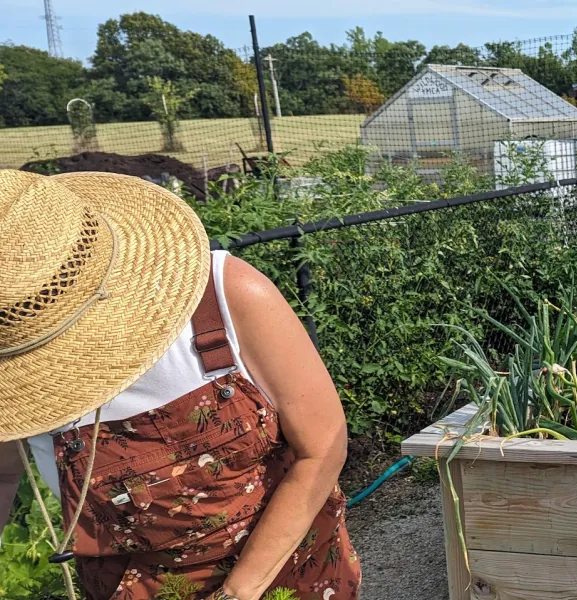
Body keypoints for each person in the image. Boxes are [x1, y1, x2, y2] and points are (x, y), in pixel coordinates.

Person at [0, 169, 361, 600]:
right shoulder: (11, 369)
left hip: (286, 573)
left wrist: (239, 591)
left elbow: (322, 446)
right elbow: (4, 472)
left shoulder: (222, 296)